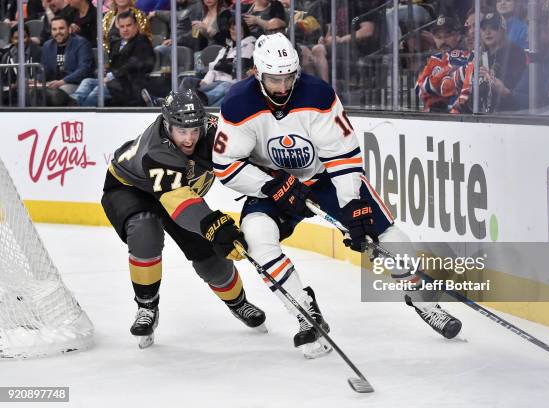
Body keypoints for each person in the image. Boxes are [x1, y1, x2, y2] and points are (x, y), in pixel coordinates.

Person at [213, 33, 462, 359]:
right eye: (275, 78)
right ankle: (305, 311)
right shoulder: (237, 104)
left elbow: (343, 154)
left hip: (325, 179)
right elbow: (225, 164)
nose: (283, 86)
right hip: (273, 183)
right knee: (258, 237)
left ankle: (423, 300)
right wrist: (270, 185)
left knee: (386, 234)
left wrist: (353, 203)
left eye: (289, 76)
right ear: (258, 73)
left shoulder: (317, 94)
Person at [101, 89, 267, 348]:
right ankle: (146, 307)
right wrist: (213, 226)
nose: (189, 139)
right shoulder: (157, 149)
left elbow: (251, 158)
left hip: (177, 193)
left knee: (210, 255)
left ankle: (239, 302)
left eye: (194, 130)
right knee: (146, 232)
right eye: (181, 131)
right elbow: (178, 202)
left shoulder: (217, 131)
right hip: (131, 188)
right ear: (167, 125)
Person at [72, 10, 154, 106]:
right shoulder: (116, 44)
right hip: (114, 82)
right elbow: (114, 65)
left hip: (130, 85)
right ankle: (72, 106)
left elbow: (133, 64)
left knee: (99, 90)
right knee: (87, 82)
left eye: (129, 25)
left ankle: (82, 116)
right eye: (122, 26)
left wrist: (112, 75)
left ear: (136, 26)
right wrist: (105, 71)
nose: (125, 29)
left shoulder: (142, 41)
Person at [179, 10, 256, 107]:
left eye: (238, 29)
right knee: (188, 81)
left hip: (230, 84)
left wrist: (223, 65)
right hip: (214, 84)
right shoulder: (225, 48)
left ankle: (202, 101)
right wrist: (205, 82)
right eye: (232, 29)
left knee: (226, 86)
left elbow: (239, 69)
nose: (235, 32)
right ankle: (179, 103)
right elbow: (213, 68)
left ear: (244, 30)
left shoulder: (249, 45)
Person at [41, 16, 93, 105]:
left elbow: (84, 69)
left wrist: (62, 81)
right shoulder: (47, 45)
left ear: (69, 29)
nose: (58, 32)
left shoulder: (81, 43)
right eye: (54, 29)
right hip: (53, 84)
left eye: (61, 28)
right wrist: (35, 80)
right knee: (34, 93)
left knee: (57, 94)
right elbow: (44, 69)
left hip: (74, 83)